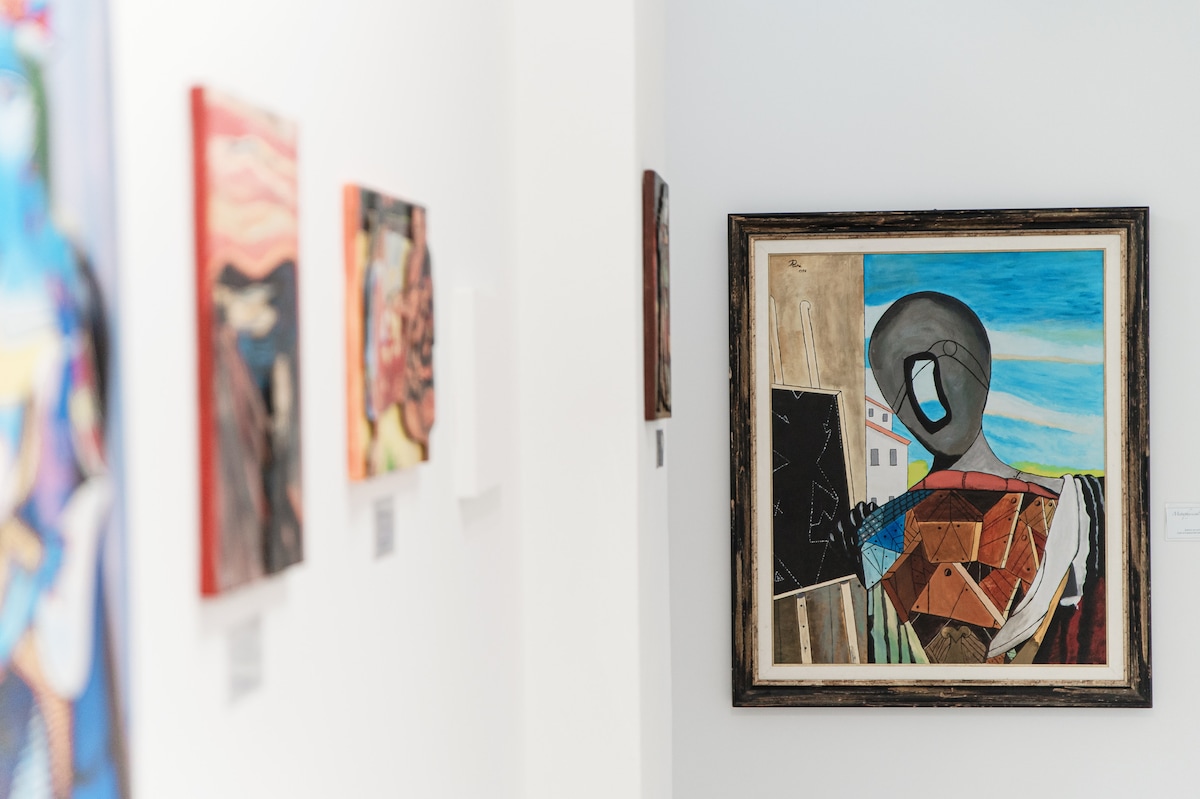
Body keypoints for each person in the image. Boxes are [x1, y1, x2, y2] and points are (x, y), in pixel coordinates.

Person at [855, 292, 1105, 664]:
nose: (927, 403)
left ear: (980, 373)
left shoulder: (1076, 506)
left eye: (936, 367)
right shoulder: (1082, 508)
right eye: (903, 383)